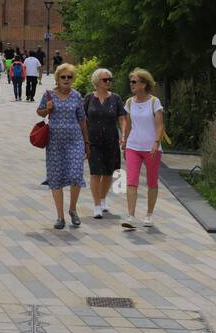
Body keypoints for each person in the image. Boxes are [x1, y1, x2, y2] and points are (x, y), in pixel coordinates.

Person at [37, 63, 89, 229]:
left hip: (75, 140)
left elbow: (82, 119)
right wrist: (47, 109)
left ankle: (72, 209)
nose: (66, 80)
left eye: (69, 77)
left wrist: (87, 142)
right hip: (55, 142)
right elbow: (40, 112)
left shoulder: (77, 96)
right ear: (57, 79)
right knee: (56, 178)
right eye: (63, 77)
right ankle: (60, 217)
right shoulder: (49, 95)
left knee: (76, 175)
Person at [121, 68, 165, 230]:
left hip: (152, 148)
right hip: (133, 146)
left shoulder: (154, 102)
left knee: (152, 182)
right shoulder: (129, 102)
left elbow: (159, 124)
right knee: (131, 181)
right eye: (131, 81)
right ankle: (131, 217)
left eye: (134, 82)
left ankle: (149, 215)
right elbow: (127, 125)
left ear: (144, 84)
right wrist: (124, 140)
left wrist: (156, 142)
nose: (131, 84)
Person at [83, 69, 128, 217]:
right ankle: (96, 205)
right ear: (96, 81)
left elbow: (122, 118)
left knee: (109, 172)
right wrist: (82, 139)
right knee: (95, 172)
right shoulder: (89, 98)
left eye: (110, 79)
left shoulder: (116, 98)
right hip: (93, 141)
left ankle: (103, 199)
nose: (108, 82)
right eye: (105, 79)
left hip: (111, 140)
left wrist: (124, 135)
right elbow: (82, 119)